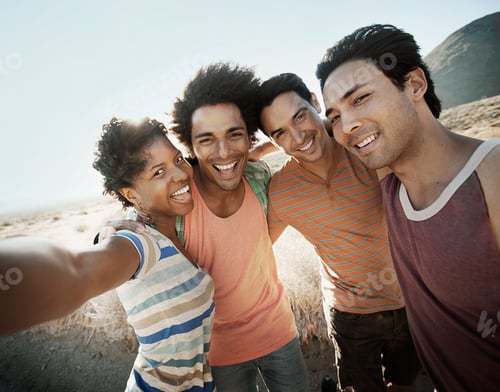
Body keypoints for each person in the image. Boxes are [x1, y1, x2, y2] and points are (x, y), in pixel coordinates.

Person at [316, 24, 500, 392]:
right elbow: (306, 131)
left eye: (361, 98)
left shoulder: (491, 175)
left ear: (414, 85)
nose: (347, 125)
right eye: (335, 115)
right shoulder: (391, 179)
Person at [0, 118, 216, 392]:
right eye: (159, 172)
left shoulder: (177, 227)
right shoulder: (140, 243)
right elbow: (77, 271)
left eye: (178, 159)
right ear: (131, 194)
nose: (181, 174)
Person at [256, 73, 422, 392]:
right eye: (281, 133)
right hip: (351, 316)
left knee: (405, 385)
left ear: (316, 102)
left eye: (300, 115)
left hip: (409, 301)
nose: (299, 136)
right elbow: (253, 247)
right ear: (273, 142)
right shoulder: (281, 192)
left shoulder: (369, 151)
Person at [169, 62, 308, 391]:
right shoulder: (177, 207)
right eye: (206, 140)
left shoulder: (259, 178)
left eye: (235, 134)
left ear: (249, 136)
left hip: (278, 331)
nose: (223, 151)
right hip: (219, 350)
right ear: (189, 146)